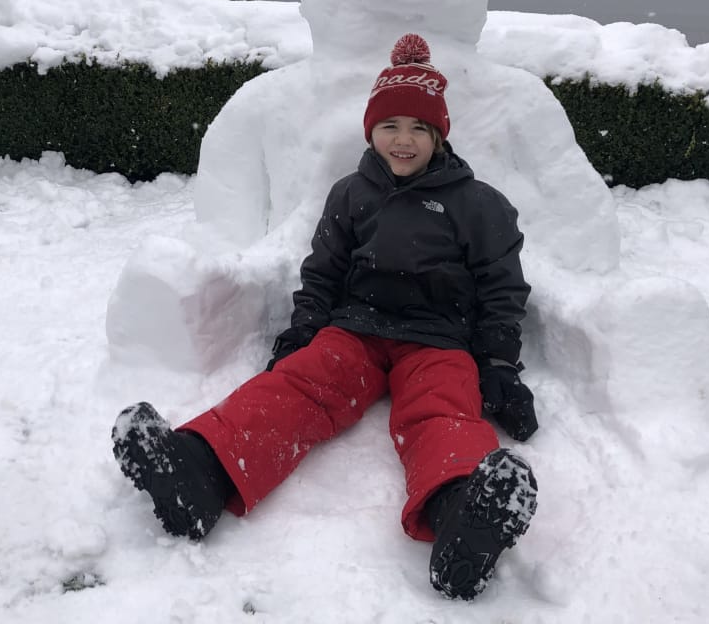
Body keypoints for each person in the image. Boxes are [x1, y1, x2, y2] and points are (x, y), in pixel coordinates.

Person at [112, 33, 539, 601]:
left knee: (441, 411)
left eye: (418, 128)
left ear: (440, 135)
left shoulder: (478, 203)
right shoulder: (350, 193)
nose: (403, 140)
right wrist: (304, 330)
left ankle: (462, 510)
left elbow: (501, 288)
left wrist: (498, 364)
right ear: (371, 132)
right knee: (298, 387)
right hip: (356, 332)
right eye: (390, 126)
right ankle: (203, 471)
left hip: (438, 341)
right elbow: (324, 271)